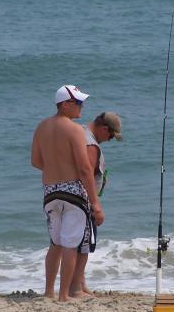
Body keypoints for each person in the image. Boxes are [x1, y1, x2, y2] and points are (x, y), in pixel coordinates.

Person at [31, 84, 104, 302]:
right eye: (78, 102)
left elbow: (36, 162)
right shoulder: (74, 130)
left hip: (50, 190)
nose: (82, 106)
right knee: (71, 244)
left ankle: (48, 292)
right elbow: (84, 169)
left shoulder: (41, 127)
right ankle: (64, 295)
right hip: (72, 190)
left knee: (55, 244)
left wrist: (55, 165)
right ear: (64, 104)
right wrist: (96, 203)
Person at [46, 112, 123, 297]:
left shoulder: (79, 132)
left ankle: (79, 283)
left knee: (63, 242)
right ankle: (75, 289)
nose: (110, 140)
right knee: (83, 244)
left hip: (60, 192)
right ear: (104, 129)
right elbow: (85, 171)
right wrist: (94, 204)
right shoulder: (91, 144)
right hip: (82, 199)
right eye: (111, 136)